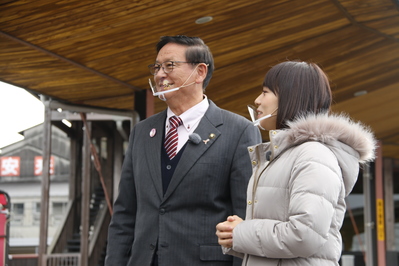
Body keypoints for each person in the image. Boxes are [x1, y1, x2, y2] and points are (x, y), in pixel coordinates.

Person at [105, 35, 261, 266]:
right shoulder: (142, 132)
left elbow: (246, 217)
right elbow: (125, 213)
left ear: (200, 72)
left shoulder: (239, 131)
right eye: (157, 67)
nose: (159, 75)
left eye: (170, 65)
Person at [216, 61, 376, 266]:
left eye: (265, 92)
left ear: (290, 97)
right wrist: (235, 236)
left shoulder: (313, 154)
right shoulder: (285, 155)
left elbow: (305, 235)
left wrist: (241, 232)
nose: (257, 100)